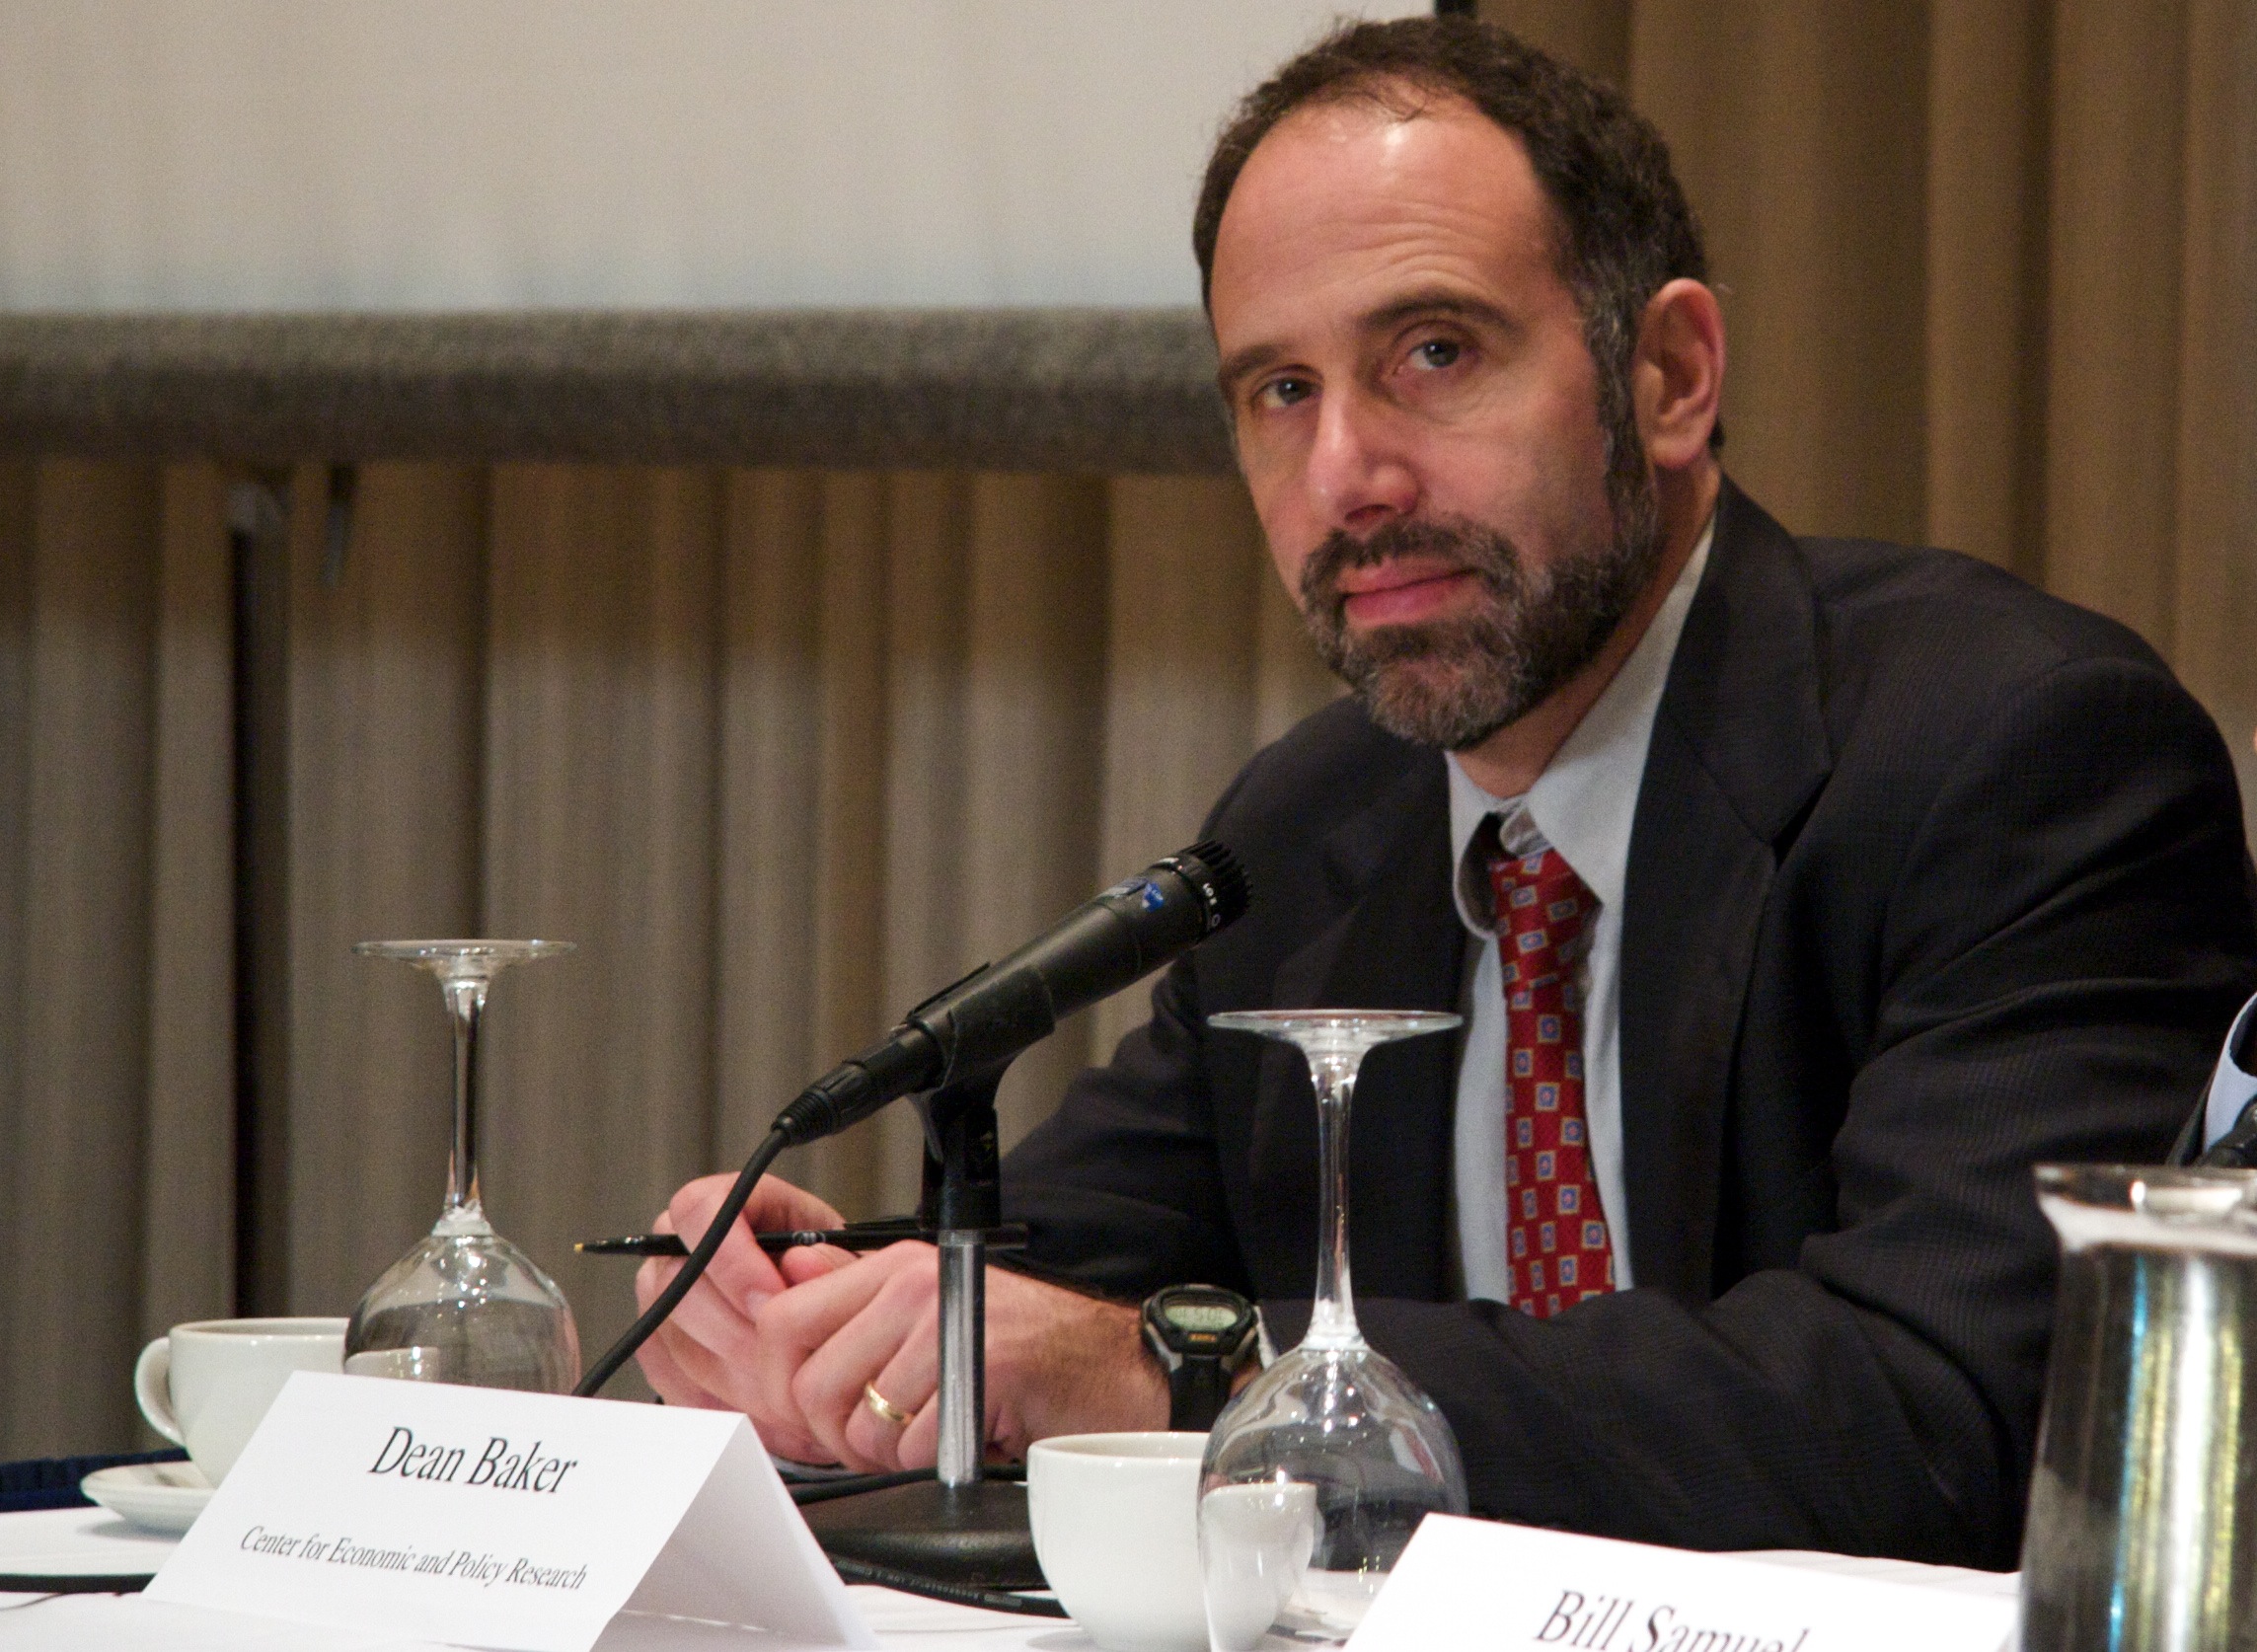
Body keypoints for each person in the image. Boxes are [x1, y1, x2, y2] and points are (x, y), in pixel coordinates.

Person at [632, 18, 2257, 1568]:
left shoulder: (2016, 752)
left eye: (1432, 352)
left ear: (1670, 374)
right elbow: (1070, 1272)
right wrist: (819, 1296)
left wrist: (1203, 1376)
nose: (1347, 475)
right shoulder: (1311, 826)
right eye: (1281, 391)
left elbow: (1961, 1414)